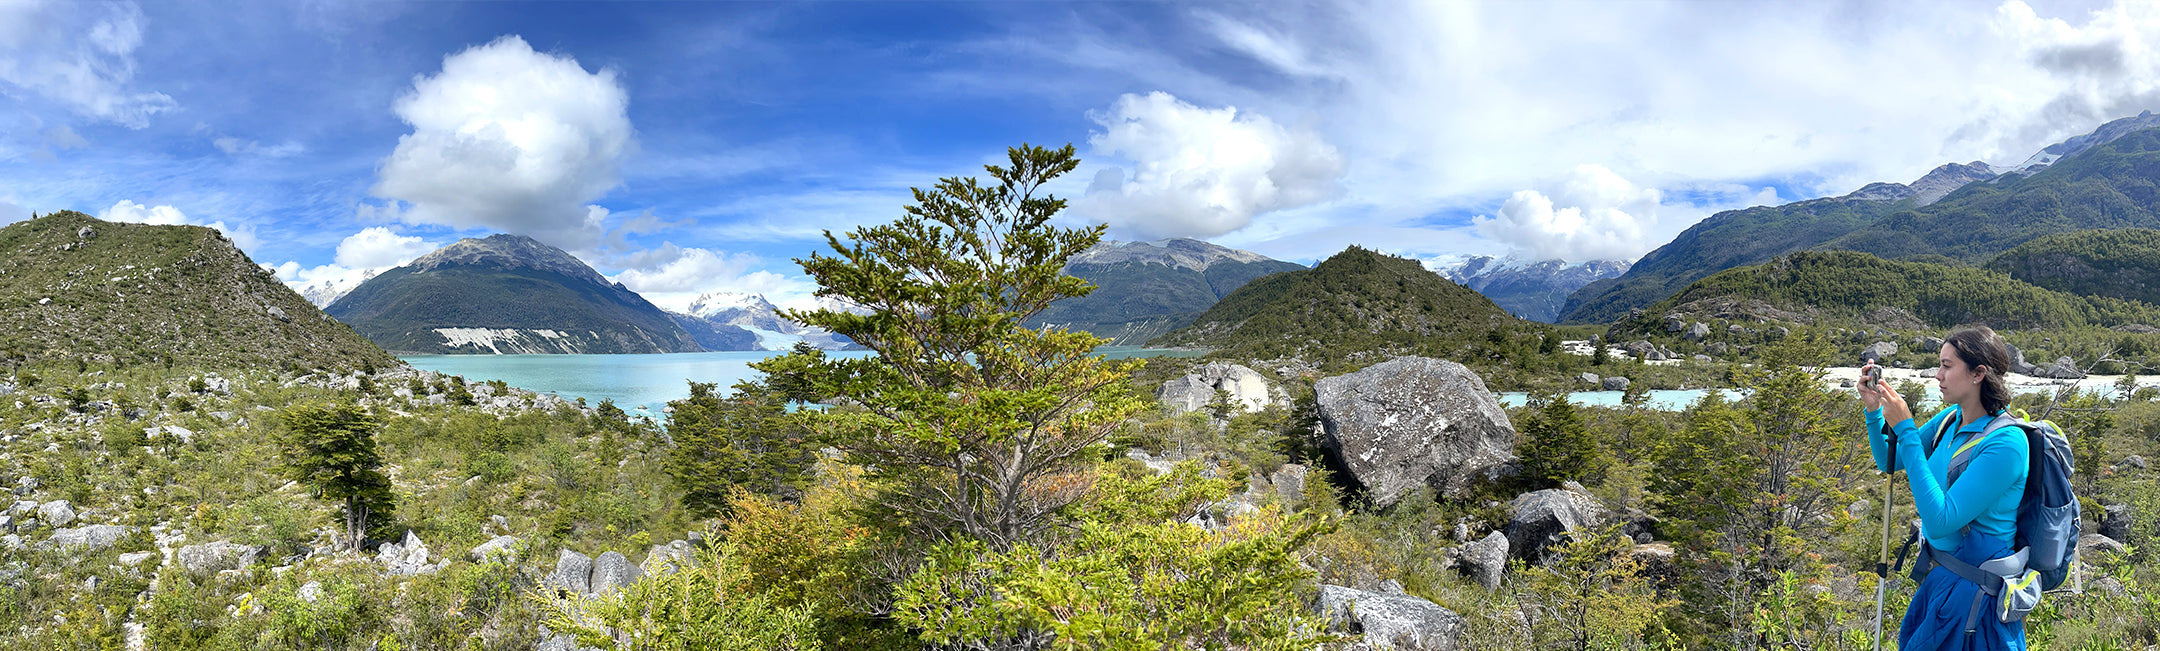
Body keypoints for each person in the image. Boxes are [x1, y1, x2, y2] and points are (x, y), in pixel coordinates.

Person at [1861, 326, 2029, 650]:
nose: (1937, 375)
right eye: (1939, 364)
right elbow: (1889, 461)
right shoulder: (1951, 419)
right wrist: (1873, 411)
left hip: (1977, 607)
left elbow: (1940, 519)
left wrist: (1907, 429)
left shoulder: (2007, 443)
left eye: (1947, 366)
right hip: (1944, 584)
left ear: (1978, 373)